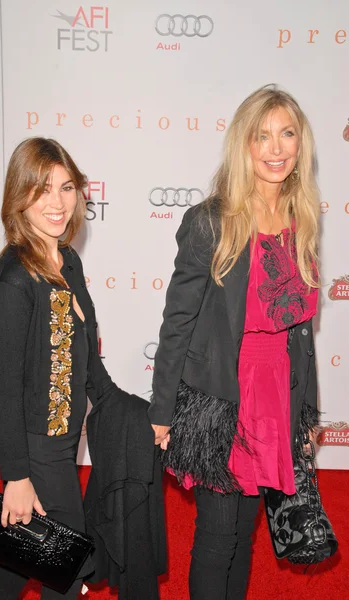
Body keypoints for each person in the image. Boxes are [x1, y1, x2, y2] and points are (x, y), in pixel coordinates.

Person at [149, 85, 321, 600]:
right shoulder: (211, 221)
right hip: (222, 398)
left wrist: (307, 415)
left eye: (286, 133)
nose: (275, 147)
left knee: (245, 536)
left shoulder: (303, 222)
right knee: (218, 536)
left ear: (300, 145)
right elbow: (176, 321)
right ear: (243, 145)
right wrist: (161, 412)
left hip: (277, 399)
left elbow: (301, 334)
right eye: (262, 135)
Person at [0, 137, 119, 599]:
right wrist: (16, 477)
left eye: (66, 186)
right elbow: (5, 390)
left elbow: (87, 359)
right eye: (41, 190)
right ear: (20, 198)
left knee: (21, 560)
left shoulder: (67, 261)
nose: (56, 203)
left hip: (63, 437)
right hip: (38, 447)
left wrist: (133, 413)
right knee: (69, 563)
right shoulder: (17, 279)